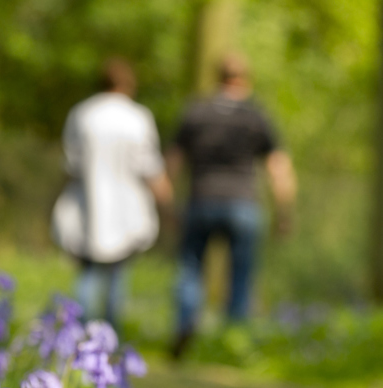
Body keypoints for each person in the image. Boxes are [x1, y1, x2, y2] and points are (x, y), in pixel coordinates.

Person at [167, 54, 297, 358]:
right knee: (240, 276)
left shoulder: (196, 112)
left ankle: (186, 325)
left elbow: (172, 162)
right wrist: (284, 212)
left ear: (218, 77)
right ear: (246, 79)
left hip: (200, 200)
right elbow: (278, 167)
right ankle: (232, 342)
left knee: (190, 270)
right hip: (243, 204)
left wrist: (168, 205)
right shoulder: (256, 115)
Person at [51, 58, 174, 331]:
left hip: (88, 206)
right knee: (117, 274)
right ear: (128, 84)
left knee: (87, 272)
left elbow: (70, 165)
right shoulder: (138, 117)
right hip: (127, 210)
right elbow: (151, 167)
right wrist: (167, 204)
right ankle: (109, 336)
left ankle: (79, 334)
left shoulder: (82, 114)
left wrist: (55, 201)